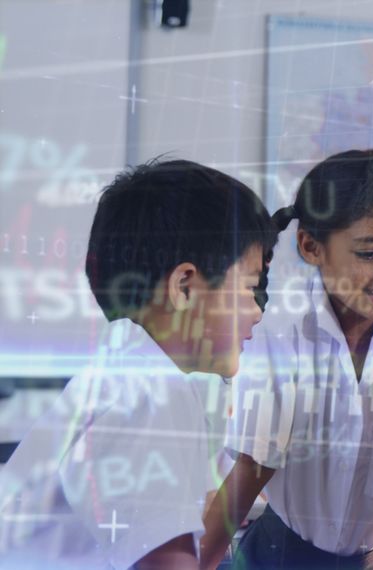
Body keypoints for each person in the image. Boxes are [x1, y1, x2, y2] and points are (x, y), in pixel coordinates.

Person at [0, 159, 276, 569]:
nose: (256, 312)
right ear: (184, 286)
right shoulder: (154, 395)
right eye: (250, 288)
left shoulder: (125, 373)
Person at [202, 150, 373, 570]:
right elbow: (252, 471)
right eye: (370, 253)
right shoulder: (278, 330)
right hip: (280, 559)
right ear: (310, 246)